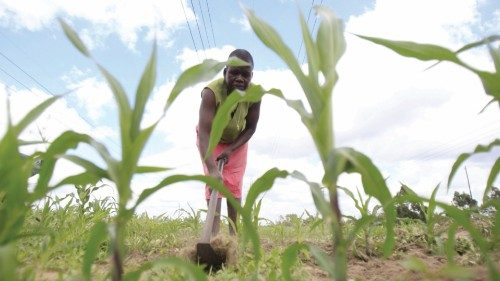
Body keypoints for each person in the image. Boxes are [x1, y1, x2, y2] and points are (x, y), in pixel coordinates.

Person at [196, 49, 260, 236]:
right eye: (234, 73)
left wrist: (231, 150)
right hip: (211, 140)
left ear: (251, 76)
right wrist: (213, 168)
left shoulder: (255, 94)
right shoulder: (211, 93)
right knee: (214, 182)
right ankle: (212, 237)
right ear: (225, 73)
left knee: (233, 185)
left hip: (237, 142)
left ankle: (233, 237)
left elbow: (250, 128)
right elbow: (204, 135)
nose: (239, 78)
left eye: (245, 74)